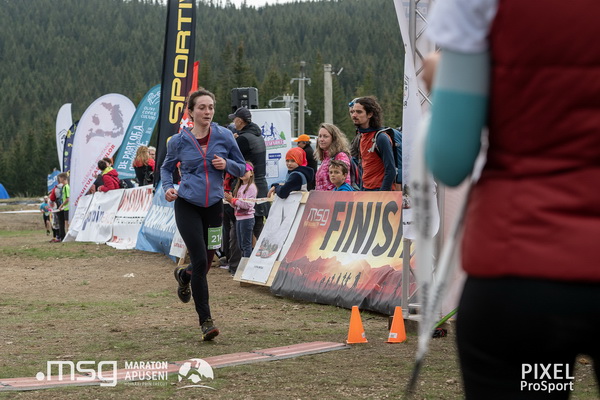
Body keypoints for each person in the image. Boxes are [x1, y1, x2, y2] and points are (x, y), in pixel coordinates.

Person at [425, 1, 600, 398]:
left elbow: (451, 161)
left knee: (538, 382)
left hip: (525, 279)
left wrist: (443, 81)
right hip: (525, 269)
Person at [161, 88, 245, 342]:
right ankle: (206, 321)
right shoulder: (178, 141)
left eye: (210, 107)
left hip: (214, 207)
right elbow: (165, 168)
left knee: (205, 264)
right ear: (191, 111)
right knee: (199, 259)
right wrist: (168, 188)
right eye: (202, 107)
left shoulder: (225, 135)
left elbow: (242, 167)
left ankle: (184, 275)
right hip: (187, 204)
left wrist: (227, 165)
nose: (207, 112)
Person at [229, 107, 269, 239]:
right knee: (258, 225)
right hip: (260, 184)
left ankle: (249, 251)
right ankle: (261, 249)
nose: (233, 122)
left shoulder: (243, 139)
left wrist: (233, 141)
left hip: (248, 185)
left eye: (235, 119)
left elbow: (230, 158)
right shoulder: (258, 136)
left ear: (240, 121)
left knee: (245, 228)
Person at [349, 96, 395, 191]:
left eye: (359, 112)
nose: (354, 115)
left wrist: (382, 194)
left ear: (370, 114)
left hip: (379, 191)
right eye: (353, 112)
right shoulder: (361, 136)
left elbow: (391, 170)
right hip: (366, 190)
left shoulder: (381, 138)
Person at [224, 162, 257, 262]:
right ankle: (244, 264)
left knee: (246, 245)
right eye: (240, 171)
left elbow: (248, 205)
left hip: (247, 219)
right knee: (241, 245)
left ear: (251, 173)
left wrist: (233, 200)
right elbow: (236, 205)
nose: (243, 173)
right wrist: (230, 200)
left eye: (245, 171)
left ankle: (246, 266)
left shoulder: (251, 187)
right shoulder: (239, 187)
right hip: (239, 218)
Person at [314, 123, 352, 191]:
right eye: (320, 136)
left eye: (325, 136)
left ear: (334, 139)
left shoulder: (340, 156)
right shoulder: (326, 158)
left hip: (334, 197)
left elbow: (345, 183)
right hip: (322, 197)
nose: (321, 139)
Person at [55, 172, 70, 240]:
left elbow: (68, 198)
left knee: (67, 222)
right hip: (65, 208)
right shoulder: (64, 187)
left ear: (62, 178)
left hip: (67, 207)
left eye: (59, 178)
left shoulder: (66, 187)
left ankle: (69, 237)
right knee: (66, 222)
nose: (59, 180)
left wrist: (61, 205)